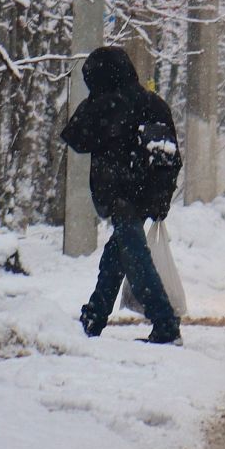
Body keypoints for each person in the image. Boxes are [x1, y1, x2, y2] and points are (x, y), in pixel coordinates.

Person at [61, 46, 183, 344]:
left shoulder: (106, 104)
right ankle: (95, 315)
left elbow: (76, 137)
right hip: (145, 194)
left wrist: (95, 101)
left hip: (120, 194)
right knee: (116, 255)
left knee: (134, 257)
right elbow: (169, 154)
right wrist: (161, 195)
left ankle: (165, 322)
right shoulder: (153, 103)